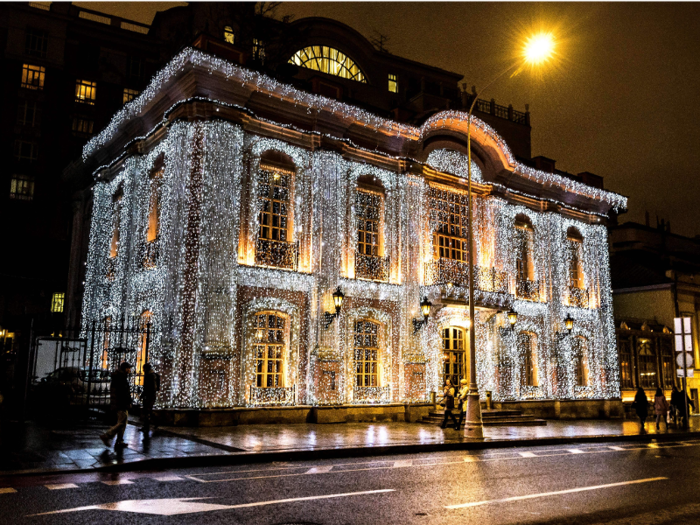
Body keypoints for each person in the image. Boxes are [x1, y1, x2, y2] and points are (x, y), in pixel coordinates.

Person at [100, 362, 133, 449]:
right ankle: (107, 435)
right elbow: (123, 392)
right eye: (129, 368)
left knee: (123, 422)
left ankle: (120, 441)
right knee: (122, 422)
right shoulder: (121, 378)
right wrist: (128, 402)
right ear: (125, 368)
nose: (130, 370)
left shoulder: (119, 376)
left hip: (120, 402)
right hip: (121, 403)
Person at [140, 363, 160, 435]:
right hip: (148, 395)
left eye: (144, 368)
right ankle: (146, 426)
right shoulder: (148, 375)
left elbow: (152, 387)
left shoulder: (151, 376)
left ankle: (154, 422)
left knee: (148, 411)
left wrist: (146, 394)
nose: (143, 370)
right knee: (146, 411)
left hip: (150, 396)